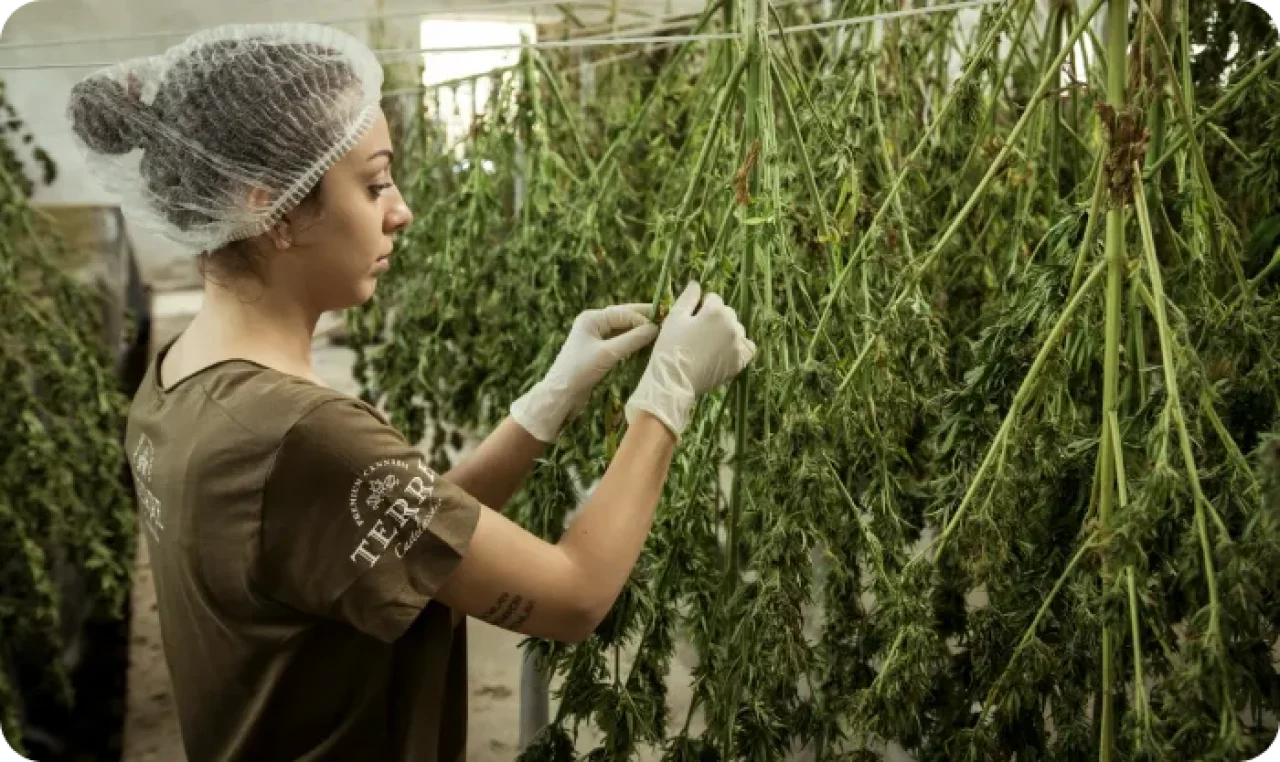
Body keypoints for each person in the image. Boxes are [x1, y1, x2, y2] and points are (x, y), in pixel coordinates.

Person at [67, 22, 756, 762]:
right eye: (373, 183)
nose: (401, 211)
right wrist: (666, 396)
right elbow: (575, 596)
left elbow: (395, 539)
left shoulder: (179, 375)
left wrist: (543, 406)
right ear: (273, 212)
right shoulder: (303, 436)